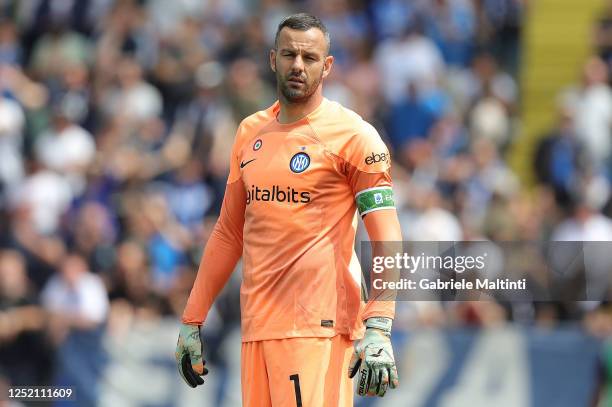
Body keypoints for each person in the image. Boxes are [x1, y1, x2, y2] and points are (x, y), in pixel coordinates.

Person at [175, 13, 402, 406]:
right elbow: (229, 232)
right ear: (272, 60)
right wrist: (192, 319)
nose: (298, 65)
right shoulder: (250, 132)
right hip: (257, 328)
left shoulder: (354, 136)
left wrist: (379, 322)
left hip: (317, 328)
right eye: (289, 55)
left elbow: (387, 237)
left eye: (309, 58)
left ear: (327, 66)